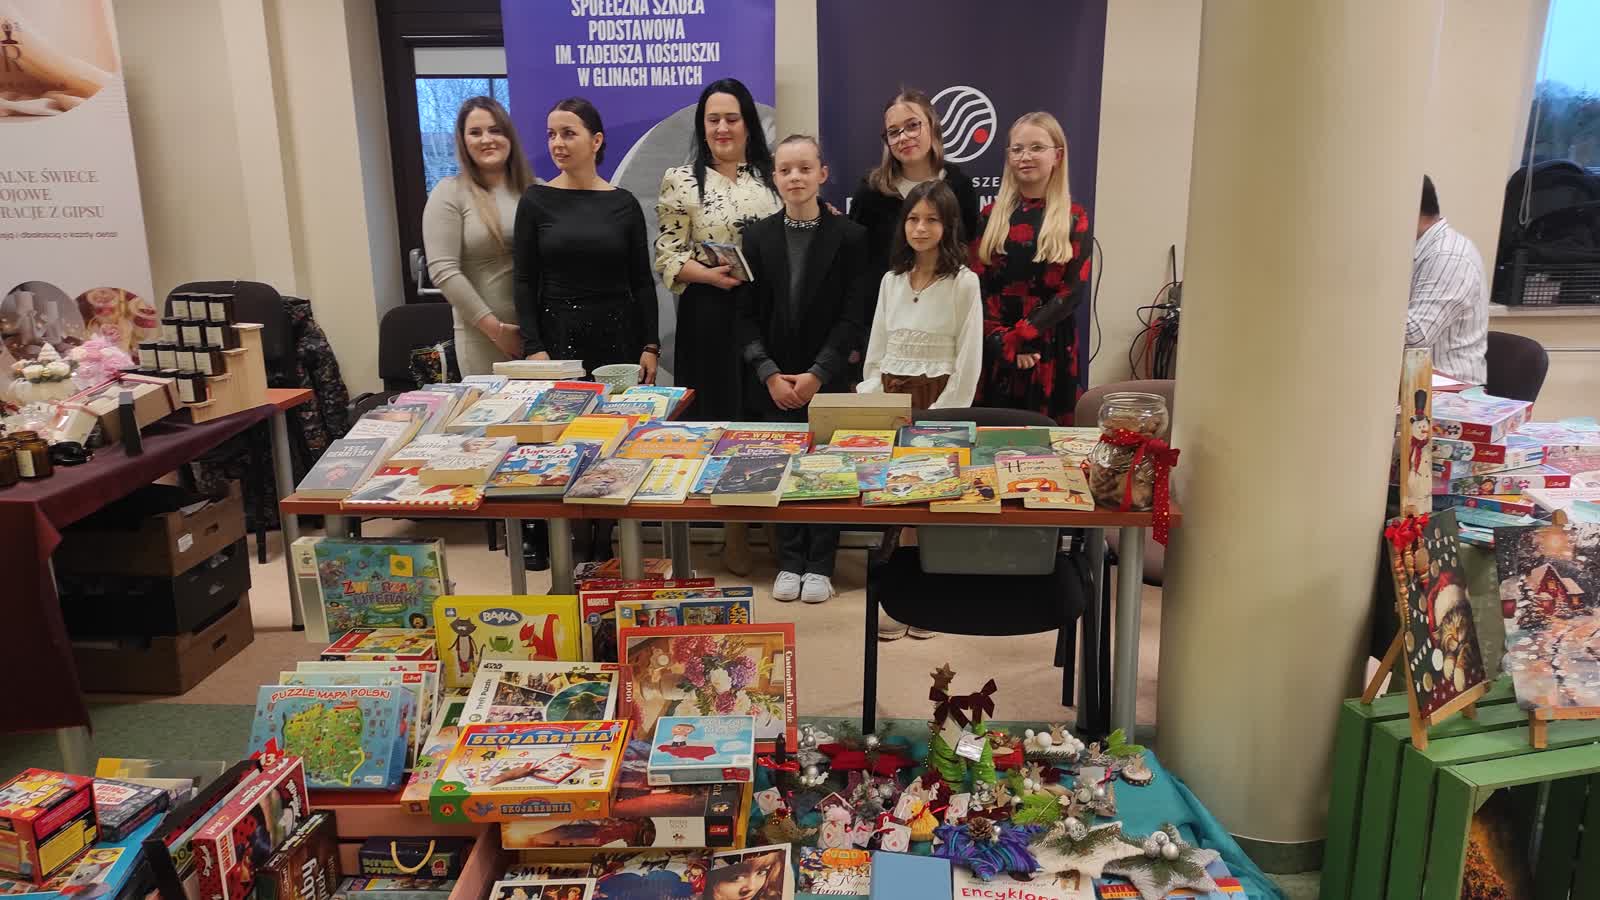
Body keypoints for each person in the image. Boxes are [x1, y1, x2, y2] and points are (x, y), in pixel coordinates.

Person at [514, 96, 659, 562]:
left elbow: (643, 281)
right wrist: (534, 346)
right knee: (565, 444)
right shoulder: (535, 200)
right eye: (551, 134)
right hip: (558, 339)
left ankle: (604, 542)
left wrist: (650, 345)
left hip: (617, 337)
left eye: (568, 133)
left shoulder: (623, 203)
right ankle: (573, 547)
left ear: (596, 141)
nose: (557, 143)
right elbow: (524, 280)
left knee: (613, 443)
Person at [735, 135, 872, 604]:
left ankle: (820, 565)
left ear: (822, 174)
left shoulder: (851, 237)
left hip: (827, 377)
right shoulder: (756, 238)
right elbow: (745, 315)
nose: (795, 177)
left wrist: (818, 373)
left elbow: (854, 316)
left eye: (804, 168)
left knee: (826, 466)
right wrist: (768, 372)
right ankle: (789, 560)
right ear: (774, 177)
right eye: (785, 170)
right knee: (782, 466)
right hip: (773, 378)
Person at [656, 77, 781, 575]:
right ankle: (733, 533)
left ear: (748, 124)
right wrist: (708, 275)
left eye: (732, 118)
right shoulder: (681, 180)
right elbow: (667, 255)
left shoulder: (774, 177)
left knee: (763, 418)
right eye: (713, 119)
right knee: (721, 419)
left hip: (767, 312)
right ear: (702, 126)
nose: (723, 128)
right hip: (708, 313)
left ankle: (773, 524)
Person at [970, 111, 1091, 424]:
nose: (1025, 156)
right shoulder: (989, 216)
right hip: (996, 347)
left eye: (1037, 147)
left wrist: (1024, 336)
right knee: (991, 436)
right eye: (1017, 149)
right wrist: (1001, 340)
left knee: (1044, 439)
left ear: (1057, 155)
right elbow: (977, 286)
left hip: (1050, 346)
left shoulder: (1074, 217)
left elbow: (1072, 292)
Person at [423, 96, 536, 377]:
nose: (487, 139)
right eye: (475, 132)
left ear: (509, 136)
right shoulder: (450, 192)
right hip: (484, 338)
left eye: (495, 130)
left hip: (540, 337)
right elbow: (443, 270)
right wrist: (496, 330)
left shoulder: (537, 191)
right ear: (463, 141)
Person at [857, 180, 982, 409]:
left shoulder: (963, 282)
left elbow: (968, 361)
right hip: (888, 399)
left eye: (931, 219)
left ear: (948, 225)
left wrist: (941, 415)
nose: (920, 228)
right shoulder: (891, 280)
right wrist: (876, 399)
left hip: (938, 402)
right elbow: (876, 352)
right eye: (913, 219)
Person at [849, 88, 982, 283]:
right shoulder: (870, 192)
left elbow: (968, 249)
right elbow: (855, 260)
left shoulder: (960, 186)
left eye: (912, 126)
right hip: (884, 300)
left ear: (933, 126)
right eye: (893, 132)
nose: (903, 137)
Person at [1408, 175, 1488, 384]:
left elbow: (1415, 335)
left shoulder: (1448, 255)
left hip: (1448, 390)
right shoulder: (1420, 249)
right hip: (1416, 382)